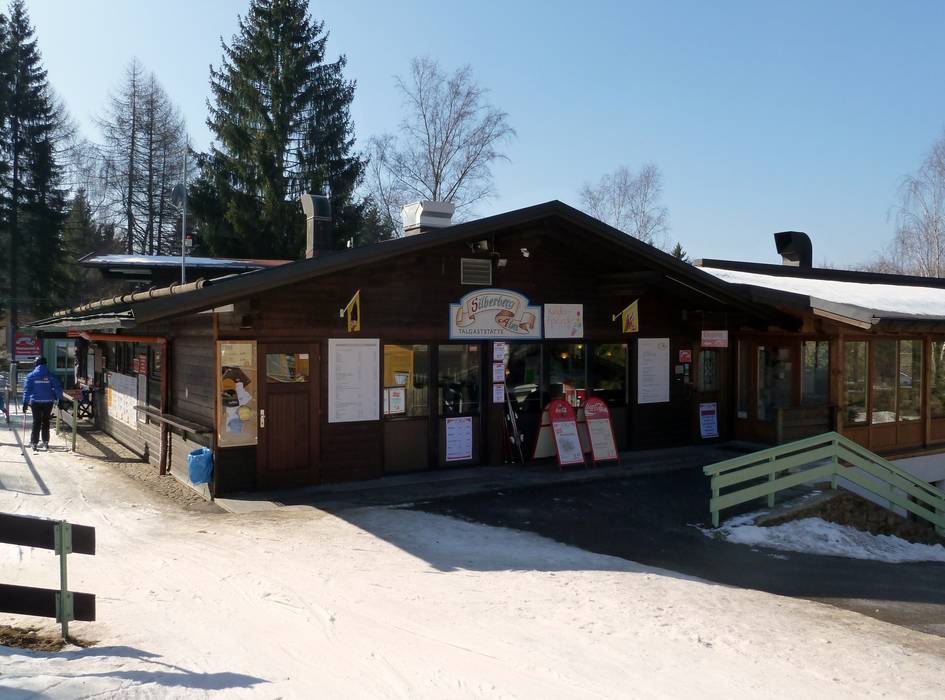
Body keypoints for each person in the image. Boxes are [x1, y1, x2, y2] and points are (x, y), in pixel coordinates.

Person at [23, 356, 63, 451]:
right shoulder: (51, 375)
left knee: (36, 421)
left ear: (36, 364)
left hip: (35, 401)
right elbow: (57, 388)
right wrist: (60, 399)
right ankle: (45, 442)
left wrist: (25, 403)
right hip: (48, 401)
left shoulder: (31, 376)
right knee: (46, 421)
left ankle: (34, 443)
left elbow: (27, 390)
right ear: (45, 364)